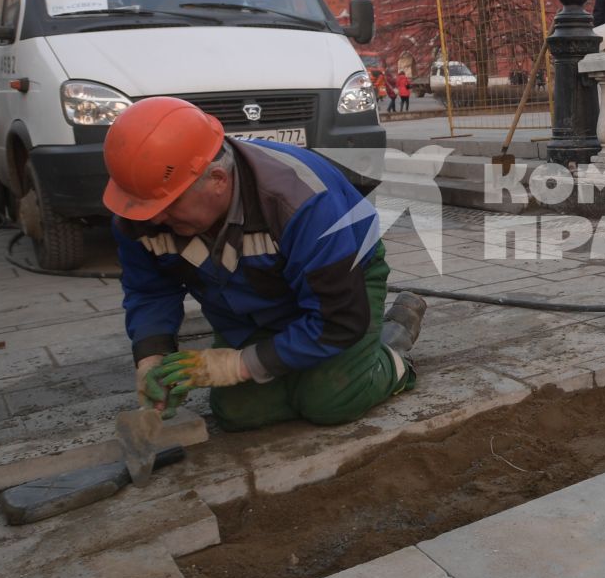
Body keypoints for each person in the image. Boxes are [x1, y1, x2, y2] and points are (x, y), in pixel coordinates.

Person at [104, 97, 425, 432]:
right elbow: (149, 291)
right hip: (251, 301)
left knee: (331, 401)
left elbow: (337, 320)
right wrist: (151, 355)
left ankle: (390, 350)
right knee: (238, 412)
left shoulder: (299, 200)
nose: (153, 217)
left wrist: (238, 365)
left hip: (344, 287)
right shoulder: (140, 211)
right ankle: (335, 359)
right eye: (143, 204)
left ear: (217, 179)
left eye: (167, 204)